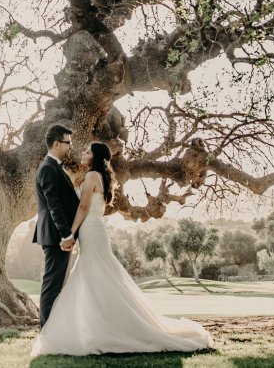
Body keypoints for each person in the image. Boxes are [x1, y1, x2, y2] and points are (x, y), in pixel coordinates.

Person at [32, 141, 214, 356]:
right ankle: (98, 324)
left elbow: (83, 206)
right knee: (97, 275)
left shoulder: (92, 177)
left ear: (96, 157)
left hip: (90, 228)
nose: (83, 152)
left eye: (88, 151)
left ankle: (102, 327)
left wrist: (69, 233)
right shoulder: (100, 177)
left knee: (93, 274)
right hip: (95, 229)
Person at [32, 123, 80, 327]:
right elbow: (54, 205)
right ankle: (47, 331)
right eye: (68, 143)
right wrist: (66, 234)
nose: (71, 147)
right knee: (52, 284)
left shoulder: (53, 167)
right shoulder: (48, 169)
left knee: (57, 283)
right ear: (56, 144)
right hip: (56, 236)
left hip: (56, 235)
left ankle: (53, 329)